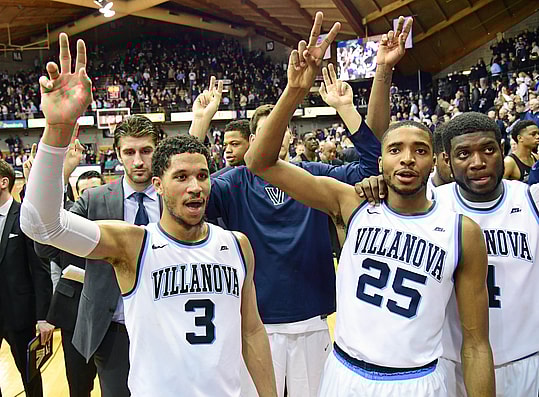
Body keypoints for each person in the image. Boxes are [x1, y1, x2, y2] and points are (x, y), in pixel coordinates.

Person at [21, 32, 276, 397]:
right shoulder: (131, 243)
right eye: (182, 177)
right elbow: (40, 225)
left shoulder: (237, 245)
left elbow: (251, 330)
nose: (196, 186)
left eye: (203, 176)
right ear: (159, 184)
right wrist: (58, 131)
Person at [244, 26, 495, 395]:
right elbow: (260, 162)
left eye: (419, 150)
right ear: (381, 161)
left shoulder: (462, 231)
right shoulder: (353, 202)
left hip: (417, 380)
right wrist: (295, 90)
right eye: (396, 150)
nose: (407, 158)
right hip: (345, 373)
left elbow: (475, 345)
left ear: (435, 162)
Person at [189, 12, 393, 396]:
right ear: (254, 140)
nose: (275, 136)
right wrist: (200, 125)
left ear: (289, 135)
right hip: (254, 322)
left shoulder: (315, 176)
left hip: (314, 318)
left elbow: (374, 167)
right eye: (267, 130)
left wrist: (347, 110)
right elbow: (188, 192)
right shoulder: (232, 183)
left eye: (281, 129)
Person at [356, 112, 539, 397]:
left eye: (489, 150)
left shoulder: (531, 199)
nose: (478, 163)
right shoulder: (429, 205)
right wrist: (375, 184)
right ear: (447, 161)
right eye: (464, 154)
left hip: (527, 360)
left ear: (503, 151)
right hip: (451, 362)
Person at [0, 159, 54, 397]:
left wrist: (44, 316)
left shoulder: (24, 216)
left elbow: (40, 271)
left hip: (19, 314)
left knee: (29, 375)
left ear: (4, 182)